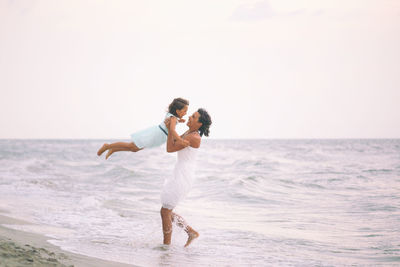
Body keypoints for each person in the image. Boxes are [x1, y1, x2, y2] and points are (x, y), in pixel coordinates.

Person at [160, 108, 212, 247]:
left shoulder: (193, 137)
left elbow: (170, 148)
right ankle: (190, 232)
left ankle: (166, 248)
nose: (189, 117)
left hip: (183, 175)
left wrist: (171, 127)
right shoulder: (189, 132)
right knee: (166, 211)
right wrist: (170, 127)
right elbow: (171, 145)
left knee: (165, 211)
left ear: (199, 123)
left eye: (193, 117)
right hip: (179, 171)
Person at [97, 98, 190, 160]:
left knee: (134, 149)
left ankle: (114, 149)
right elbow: (172, 131)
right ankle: (108, 146)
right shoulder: (173, 118)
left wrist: (179, 121)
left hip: (157, 135)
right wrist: (180, 140)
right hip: (155, 135)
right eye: (185, 111)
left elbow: (171, 124)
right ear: (177, 111)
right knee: (131, 146)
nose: (186, 113)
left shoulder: (172, 117)